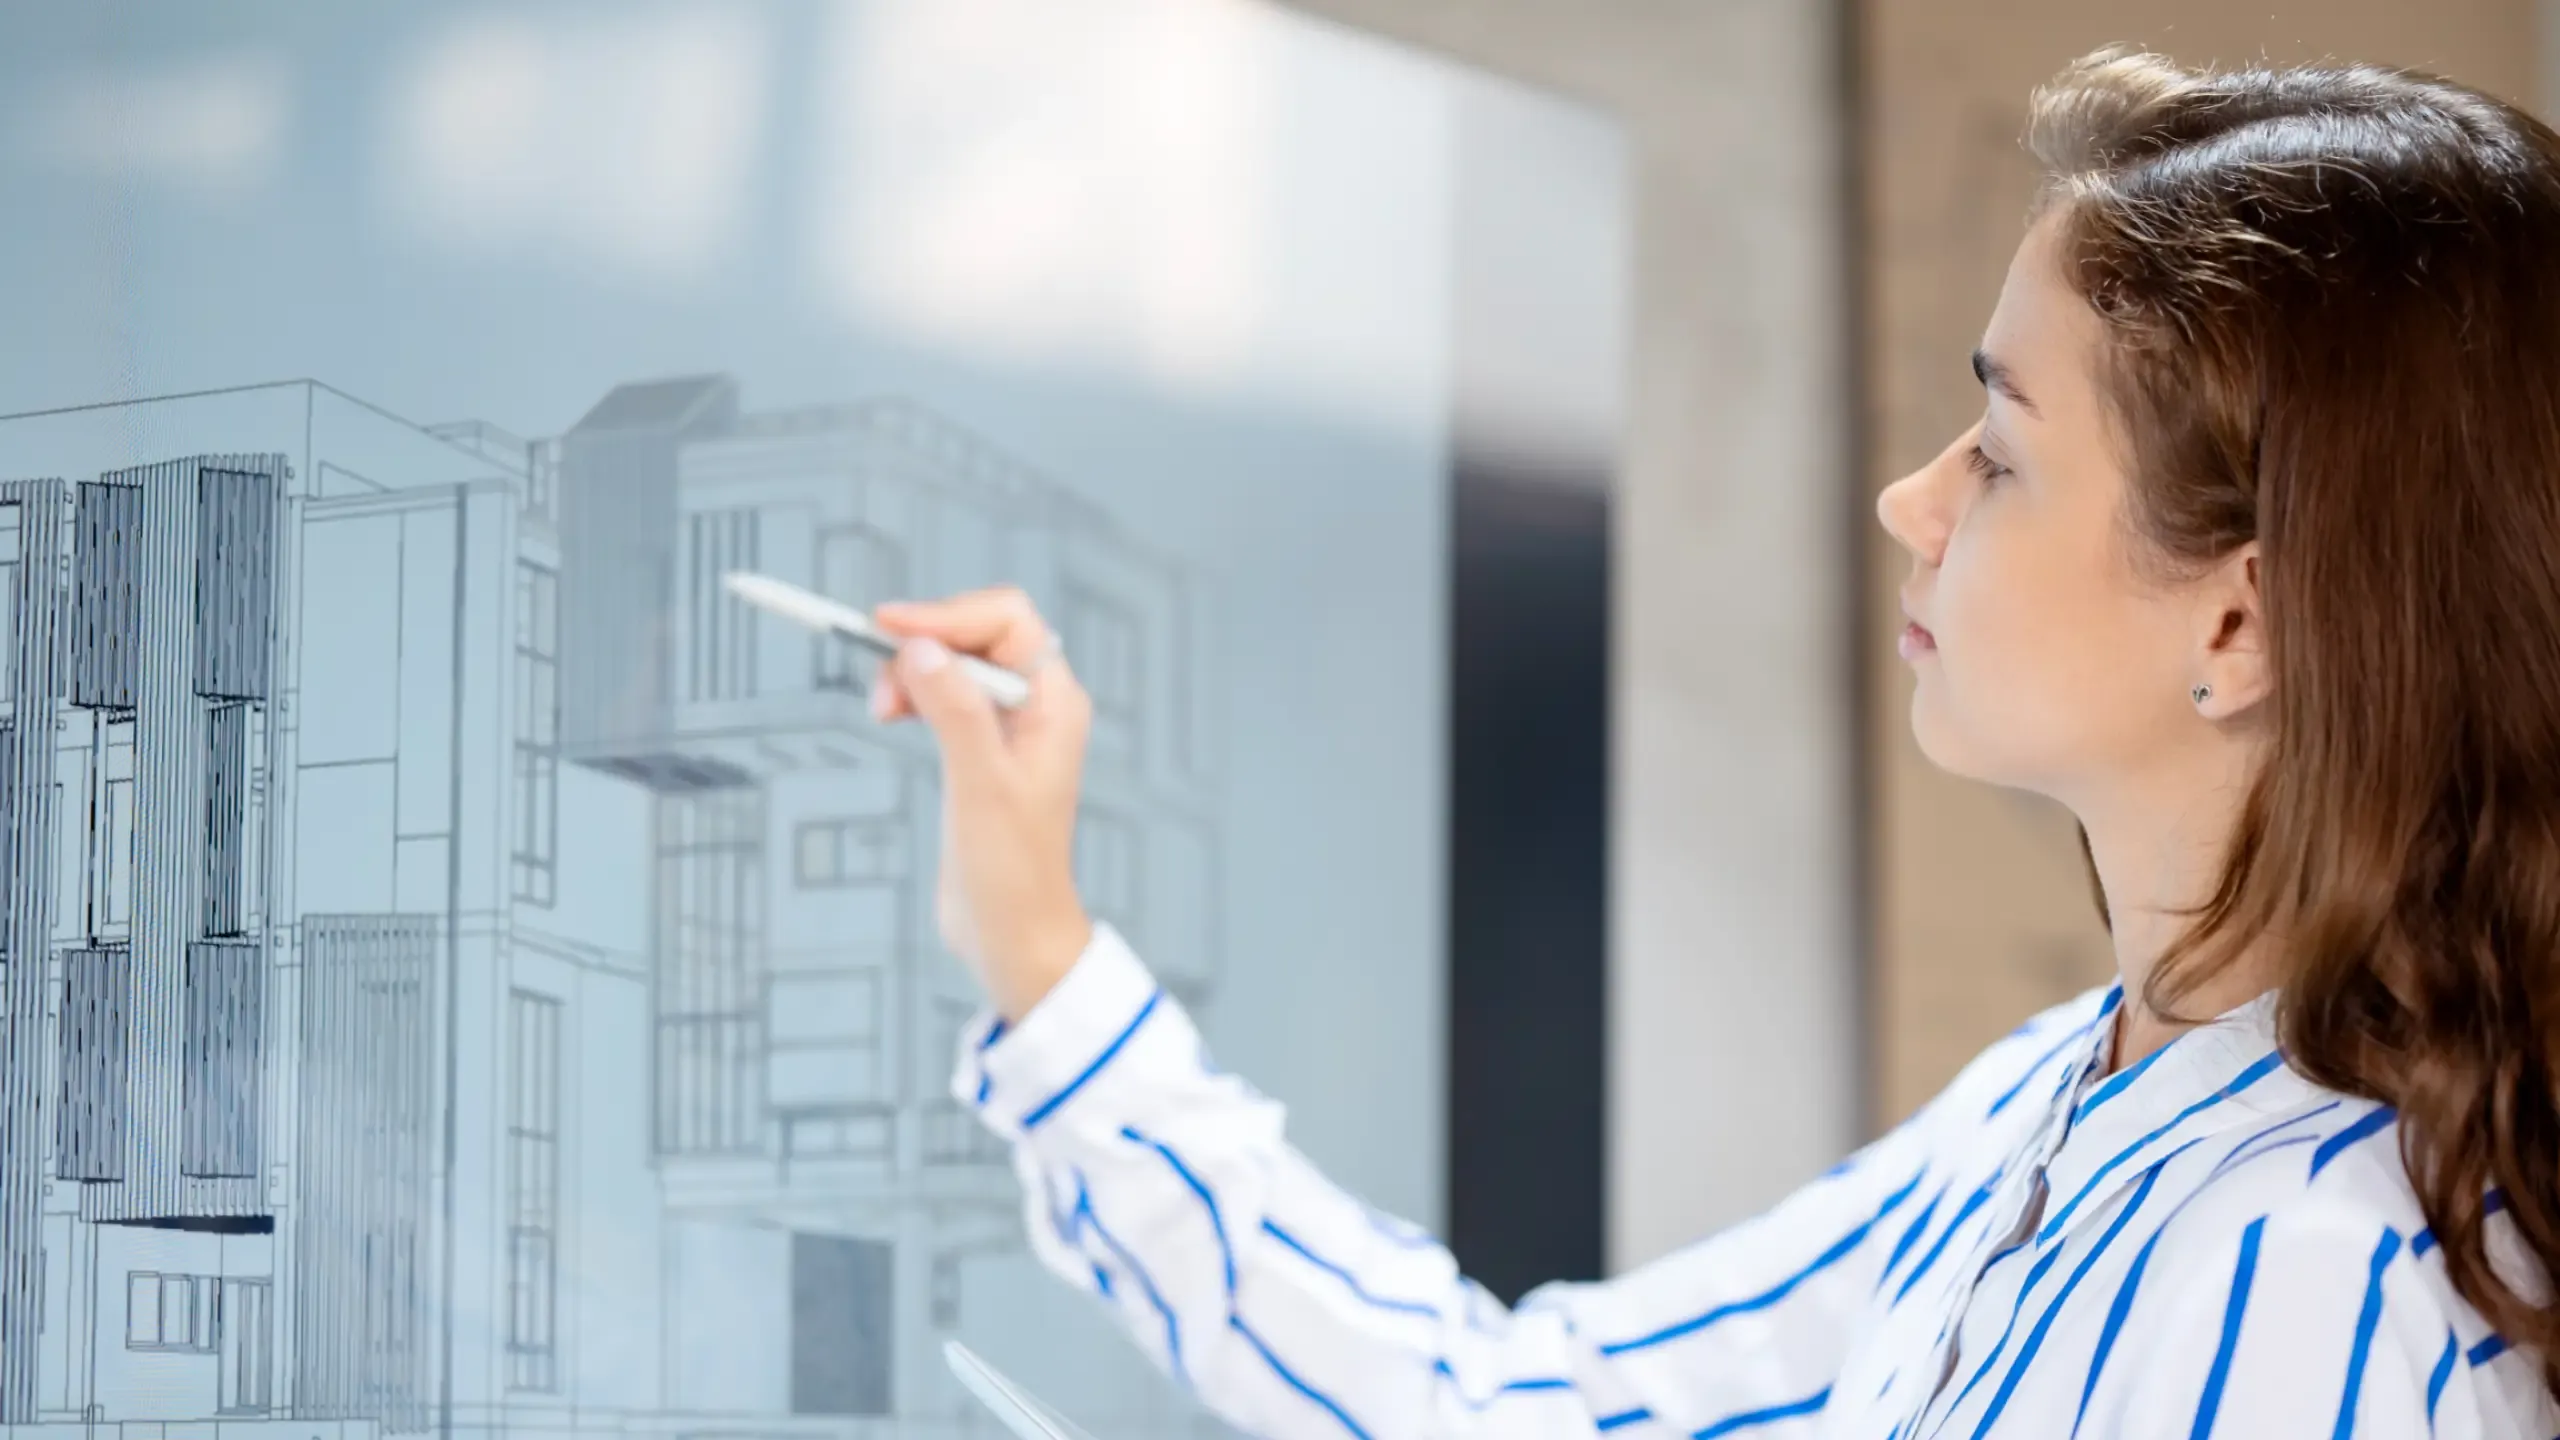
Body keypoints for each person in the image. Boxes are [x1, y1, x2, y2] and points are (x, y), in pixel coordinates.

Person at [863, 46, 2560, 1440]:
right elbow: (1518, 1409)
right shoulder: (2066, 1103)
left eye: (1999, 446)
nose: (1914, 499)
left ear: (2241, 621)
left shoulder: (2304, 1295)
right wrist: (1038, 949)